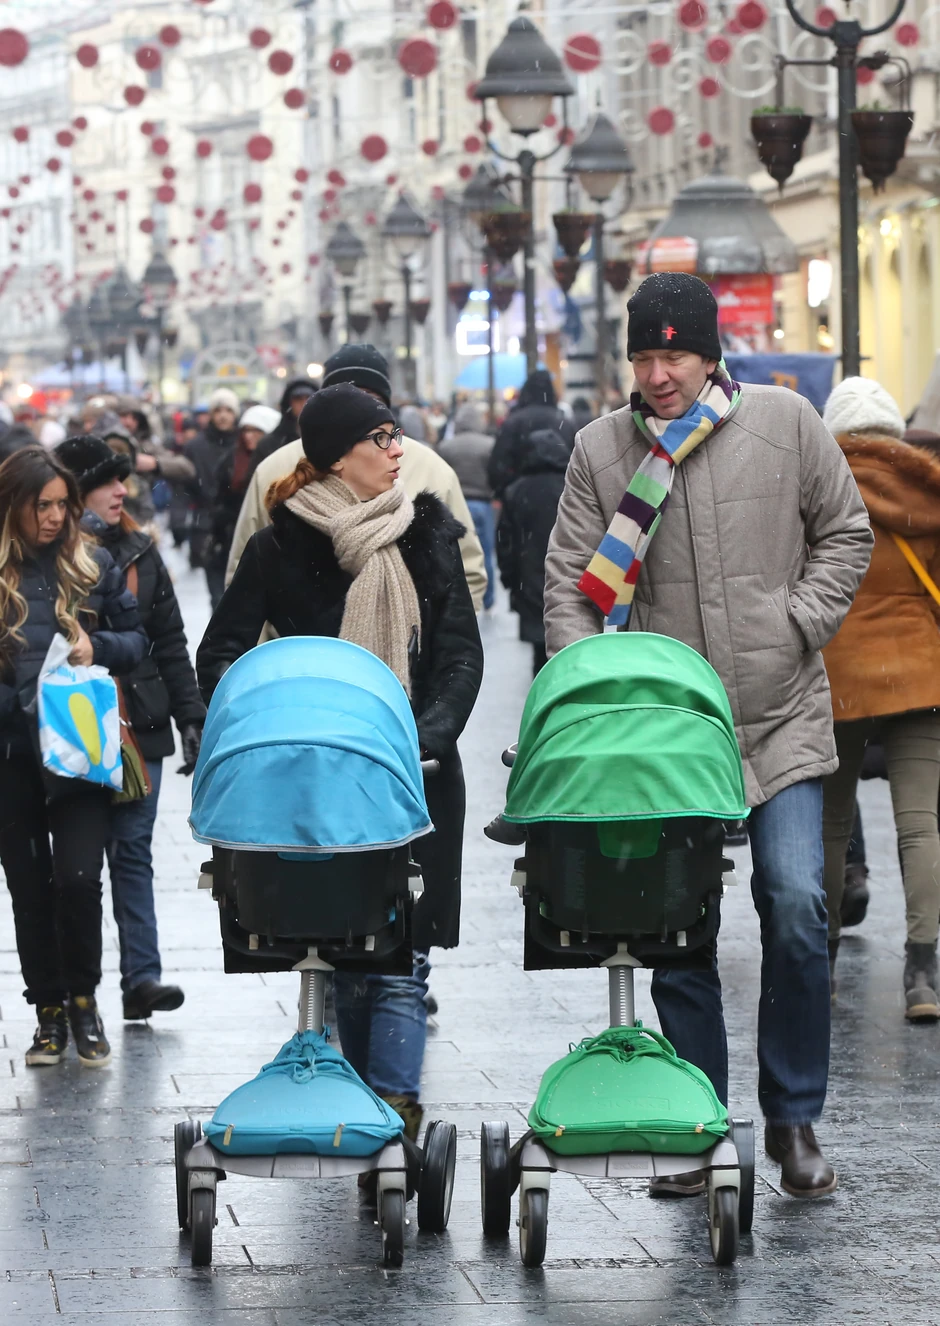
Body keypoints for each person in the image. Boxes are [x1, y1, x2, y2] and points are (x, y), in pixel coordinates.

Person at [542, 273, 873, 1198]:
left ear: (709, 353)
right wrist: (594, 687)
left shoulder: (785, 422)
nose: (656, 375)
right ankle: (699, 1124)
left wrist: (797, 622)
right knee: (676, 930)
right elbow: (571, 580)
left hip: (779, 716)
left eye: (673, 355)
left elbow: (847, 532)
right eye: (642, 357)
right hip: (666, 734)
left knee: (801, 906)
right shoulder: (601, 450)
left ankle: (794, 1116)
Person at [196, 384, 483, 1150]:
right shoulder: (281, 545)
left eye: (397, 435)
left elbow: (460, 654)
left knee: (399, 961)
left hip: (411, 773)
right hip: (312, 781)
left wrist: (423, 734)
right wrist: (259, 722)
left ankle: (396, 1123)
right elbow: (220, 650)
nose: (398, 449)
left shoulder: (427, 536)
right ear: (334, 456)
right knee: (345, 954)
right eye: (382, 437)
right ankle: (362, 1113)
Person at [0, 446, 148, 1067]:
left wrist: (98, 647)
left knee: (80, 881)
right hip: (10, 757)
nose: (57, 517)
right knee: (30, 888)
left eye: (63, 503)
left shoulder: (93, 563)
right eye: (44, 506)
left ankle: (84, 1000)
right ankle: (49, 1011)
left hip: (81, 752)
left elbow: (138, 641)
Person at [55, 434, 207, 1021]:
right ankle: (77, 988)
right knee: (78, 868)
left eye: (123, 480)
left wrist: (190, 716)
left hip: (138, 725)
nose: (123, 491)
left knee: (132, 854)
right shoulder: (49, 556)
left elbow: (169, 640)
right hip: (72, 729)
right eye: (106, 482)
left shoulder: (142, 550)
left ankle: (142, 978)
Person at [818, 377, 940, 1019]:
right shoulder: (928, 489)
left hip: (839, 676)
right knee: (920, 824)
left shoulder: (818, 489)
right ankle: (922, 974)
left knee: (832, 824)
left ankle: (827, 963)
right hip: (921, 674)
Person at [225, 344, 488, 611]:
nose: (358, 406)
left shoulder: (432, 469)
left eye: (369, 397)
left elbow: (468, 574)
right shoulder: (275, 469)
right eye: (346, 395)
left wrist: (438, 640)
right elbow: (242, 578)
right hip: (299, 649)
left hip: (408, 647)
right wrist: (273, 649)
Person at [497, 428, 571, 674]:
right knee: (571, 642)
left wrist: (509, 578)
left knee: (540, 651)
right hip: (569, 575)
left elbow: (505, 539)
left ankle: (543, 701)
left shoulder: (516, 490)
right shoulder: (571, 487)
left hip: (528, 577)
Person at [208, 404, 281, 589]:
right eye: (246, 430)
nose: (249, 435)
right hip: (232, 537)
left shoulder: (281, 461)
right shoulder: (231, 460)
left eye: (256, 430)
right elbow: (217, 498)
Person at [436, 403, 496, 610]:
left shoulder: (446, 446)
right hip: (483, 502)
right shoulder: (489, 444)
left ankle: (464, 597)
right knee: (485, 551)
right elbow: (495, 474)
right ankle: (488, 598)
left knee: (460, 552)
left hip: (456, 504)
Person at [185, 388, 239, 608]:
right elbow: (185, 488)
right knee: (218, 599)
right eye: (218, 410)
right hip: (208, 527)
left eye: (228, 410)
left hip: (238, 526)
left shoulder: (244, 445)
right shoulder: (195, 446)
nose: (223, 415)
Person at [488, 368, 576, 498]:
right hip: (561, 498)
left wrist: (510, 491)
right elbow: (576, 465)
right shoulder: (564, 423)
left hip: (522, 500)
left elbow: (497, 468)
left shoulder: (513, 422)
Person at [248, 378, 317, 471]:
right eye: (298, 399)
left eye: (309, 397)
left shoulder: (328, 438)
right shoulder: (269, 444)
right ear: (289, 403)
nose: (304, 403)